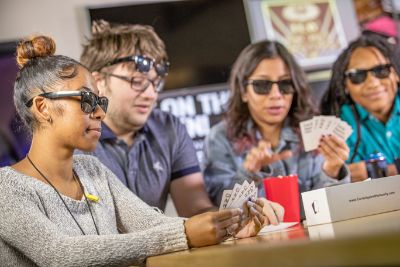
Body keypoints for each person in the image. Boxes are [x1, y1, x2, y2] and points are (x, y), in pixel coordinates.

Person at [0, 35, 278, 266]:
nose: (99, 112)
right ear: (42, 107)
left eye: (100, 102)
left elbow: (149, 223)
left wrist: (227, 230)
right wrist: (185, 234)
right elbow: (61, 255)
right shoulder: (7, 189)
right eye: (86, 100)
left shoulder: (92, 170)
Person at [78, 20, 215, 217]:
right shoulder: (74, 139)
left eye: (155, 83)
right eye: (138, 82)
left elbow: (196, 210)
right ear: (98, 82)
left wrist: (235, 217)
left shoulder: (169, 128)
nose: (151, 94)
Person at [202, 40, 351, 207]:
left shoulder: (312, 133)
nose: (276, 95)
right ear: (243, 91)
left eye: (285, 84)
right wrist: (248, 173)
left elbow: (328, 207)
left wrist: (331, 170)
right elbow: (221, 209)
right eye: (262, 85)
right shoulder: (220, 138)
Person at [320, 34, 400, 182]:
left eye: (381, 70)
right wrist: (337, 174)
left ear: (396, 73)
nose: (373, 83)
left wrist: (385, 171)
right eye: (357, 76)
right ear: (345, 85)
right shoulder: (336, 126)